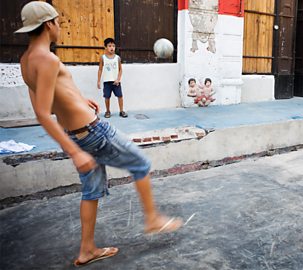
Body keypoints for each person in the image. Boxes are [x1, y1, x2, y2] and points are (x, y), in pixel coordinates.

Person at [15, 2, 182, 266]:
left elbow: (54, 95)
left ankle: (87, 250)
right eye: (58, 22)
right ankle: (152, 219)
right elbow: (44, 114)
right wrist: (74, 153)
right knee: (141, 163)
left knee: (91, 191)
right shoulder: (47, 59)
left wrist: (82, 100)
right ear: (48, 25)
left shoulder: (26, 60)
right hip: (93, 132)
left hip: (76, 132)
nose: (59, 26)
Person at [97, 37, 128, 118]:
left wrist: (118, 79)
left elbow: (120, 70)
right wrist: (98, 81)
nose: (112, 48)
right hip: (107, 82)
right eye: (110, 46)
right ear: (106, 47)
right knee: (107, 97)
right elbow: (100, 69)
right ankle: (107, 111)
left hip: (116, 82)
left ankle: (121, 111)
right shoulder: (102, 58)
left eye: (113, 46)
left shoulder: (117, 58)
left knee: (120, 96)